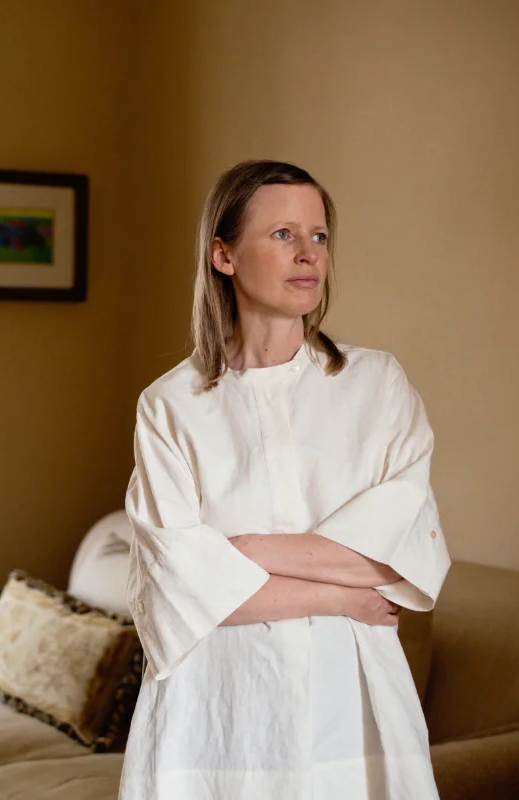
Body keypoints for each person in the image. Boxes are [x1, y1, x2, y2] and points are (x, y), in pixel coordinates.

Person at [119, 159, 451, 799]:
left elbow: (392, 554)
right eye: (282, 235)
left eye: (318, 236)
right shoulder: (170, 407)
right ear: (224, 255)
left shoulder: (377, 386)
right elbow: (176, 595)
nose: (308, 255)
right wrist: (338, 596)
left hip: (350, 702)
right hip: (216, 711)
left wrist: (241, 552)